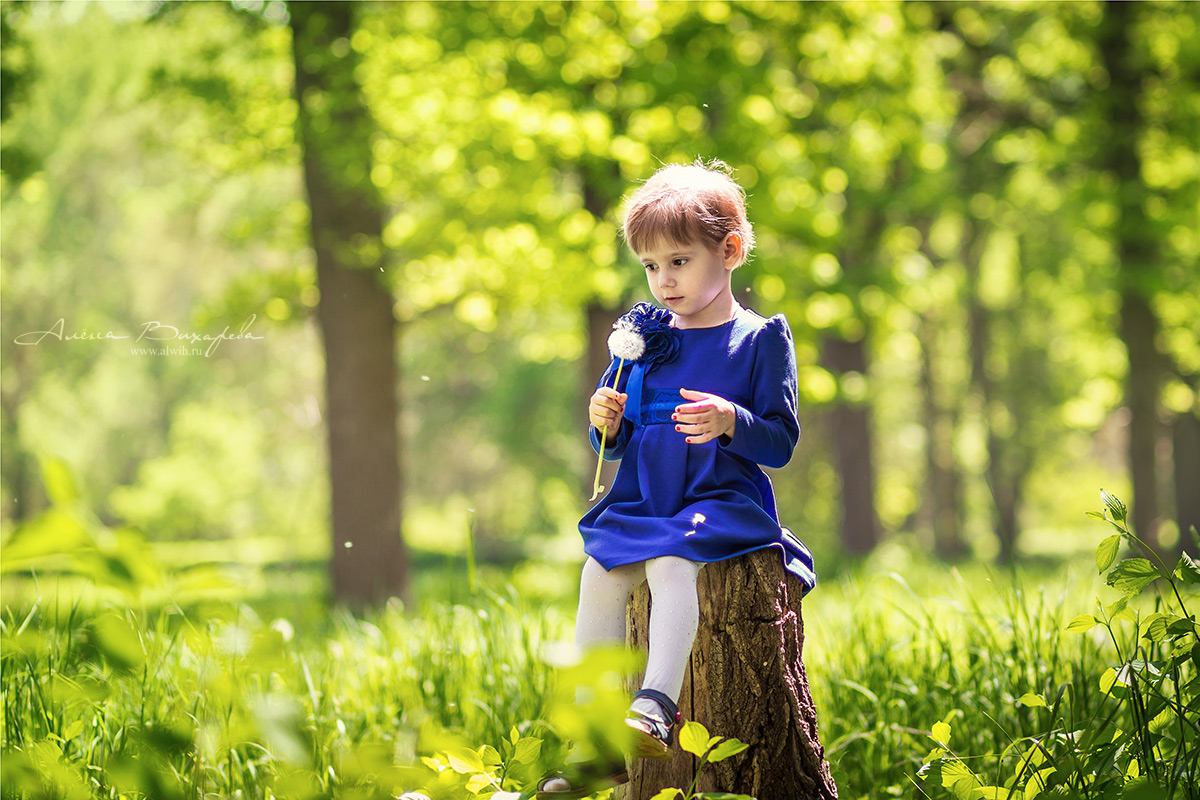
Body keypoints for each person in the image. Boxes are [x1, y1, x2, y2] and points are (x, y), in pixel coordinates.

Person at [538, 160, 816, 798]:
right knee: (598, 573)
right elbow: (619, 438)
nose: (664, 281)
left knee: (669, 564)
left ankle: (655, 704)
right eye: (651, 266)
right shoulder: (643, 337)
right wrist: (604, 421)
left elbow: (779, 441)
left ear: (730, 250)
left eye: (679, 262)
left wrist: (730, 419)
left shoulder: (758, 340)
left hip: (718, 498)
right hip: (646, 493)